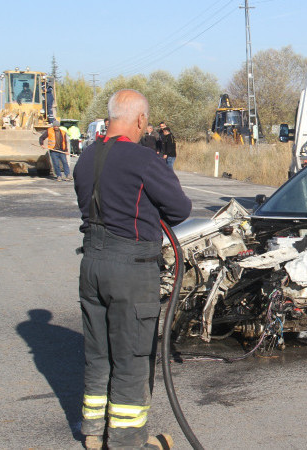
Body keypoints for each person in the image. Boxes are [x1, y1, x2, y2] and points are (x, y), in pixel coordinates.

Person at [73, 89, 191, 450]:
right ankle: (126, 442)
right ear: (140, 120)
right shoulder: (142, 159)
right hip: (131, 268)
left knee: (98, 352)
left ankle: (93, 432)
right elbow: (180, 209)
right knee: (132, 356)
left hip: (91, 263)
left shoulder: (85, 158)